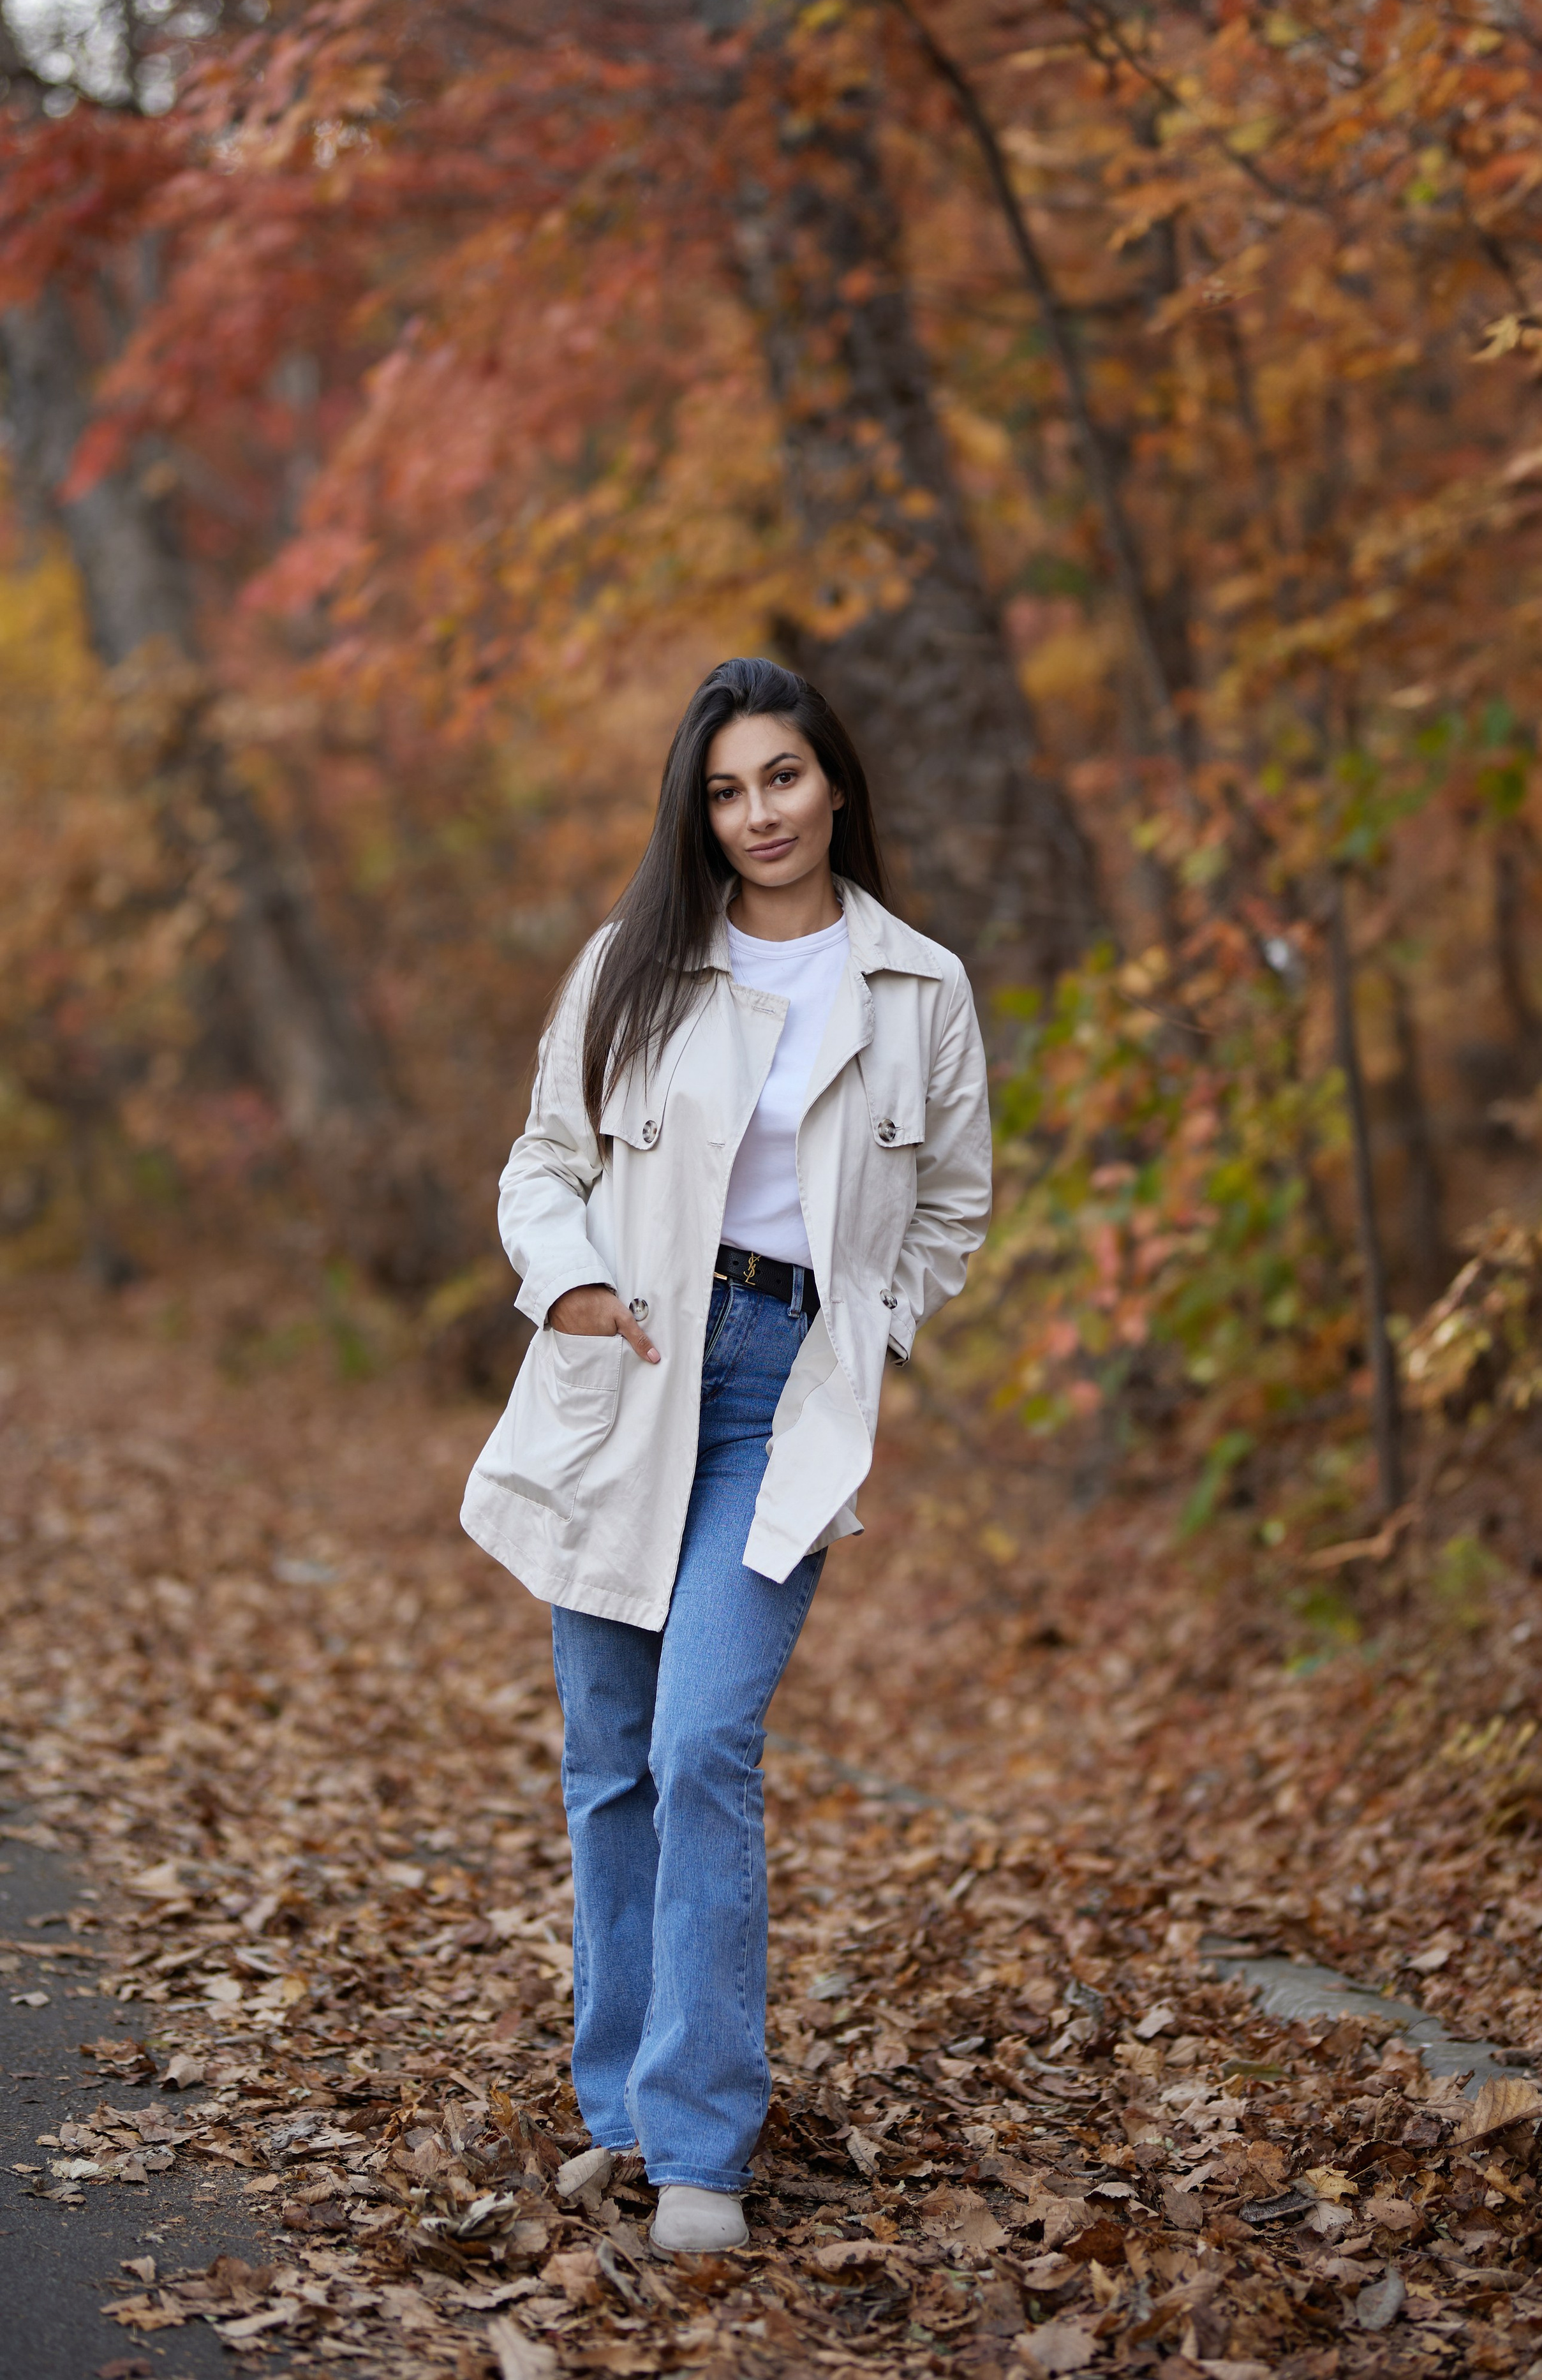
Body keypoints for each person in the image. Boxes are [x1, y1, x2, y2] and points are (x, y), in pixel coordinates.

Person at [461, 657, 991, 2252]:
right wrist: (570, 1282)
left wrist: (873, 1331)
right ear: (698, 812)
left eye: (781, 777)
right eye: (724, 789)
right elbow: (543, 1161)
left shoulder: (917, 986)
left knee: (702, 1744)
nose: (757, 813)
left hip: (781, 1394)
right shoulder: (632, 964)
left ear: (835, 785)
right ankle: (617, 2115)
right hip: (627, 1367)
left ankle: (699, 2148)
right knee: (609, 1762)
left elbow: (953, 1205)